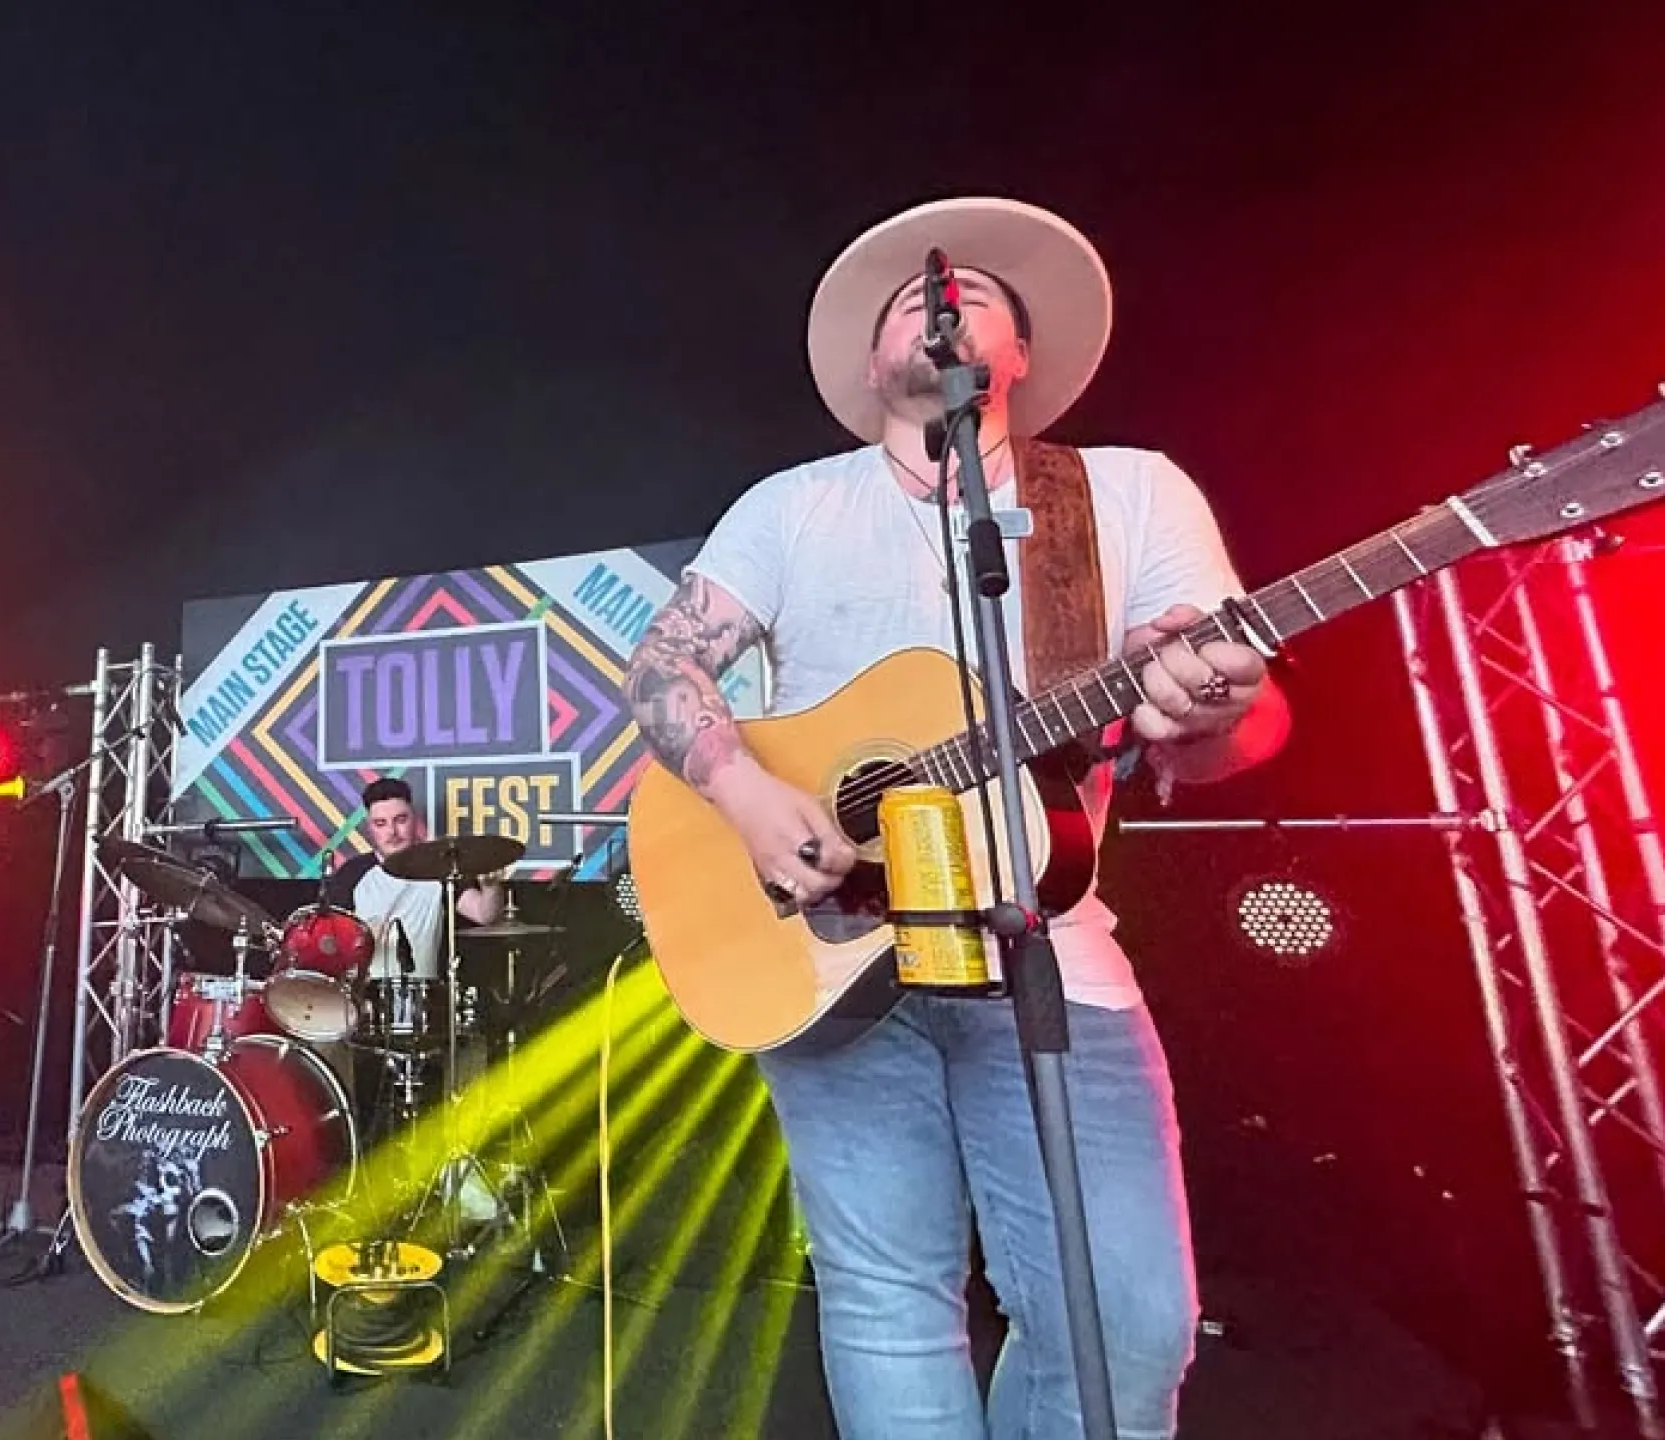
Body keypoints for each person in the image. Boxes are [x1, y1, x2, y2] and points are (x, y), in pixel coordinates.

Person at [622, 197, 1291, 1439]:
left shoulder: (1125, 496)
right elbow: (662, 670)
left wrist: (1205, 709)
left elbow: (1230, 739)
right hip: (834, 958)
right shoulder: (791, 506)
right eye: (910, 302)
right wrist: (748, 793)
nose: (939, 303)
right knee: (886, 1305)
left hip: (1051, 953)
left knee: (1126, 1325)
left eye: (976, 294)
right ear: (872, 361)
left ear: (1020, 358)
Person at [317, 776, 505, 980]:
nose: (392, 832)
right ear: (369, 828)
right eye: (381, 823)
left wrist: (491, 886)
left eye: (400, 820)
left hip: (426, 995)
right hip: (363, 996)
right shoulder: (352, 872)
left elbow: (484, 915)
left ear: (415, 820)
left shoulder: (440, 864)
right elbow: (327, 940)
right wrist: (358, 939)